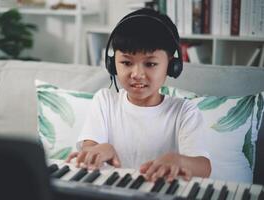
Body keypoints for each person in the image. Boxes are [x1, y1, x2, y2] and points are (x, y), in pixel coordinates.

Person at [66, 8, 211, 182]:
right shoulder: (105, 102)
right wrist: (100, 149)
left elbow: (204, 167)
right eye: (126, 62)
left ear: (171, 66)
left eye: (150, 64)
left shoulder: (184, 111)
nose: (137, 74)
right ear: (112, 64)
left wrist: (178, 160)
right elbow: (89, 149)